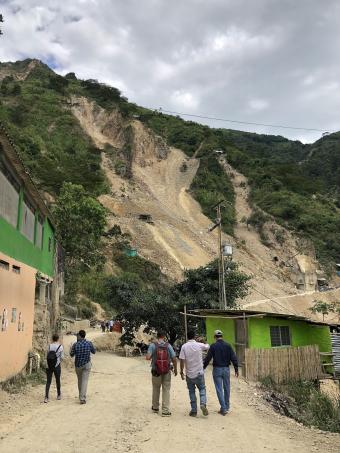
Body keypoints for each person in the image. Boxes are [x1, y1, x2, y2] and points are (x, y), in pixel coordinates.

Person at [203, 329, 238, 415]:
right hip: (226, 369)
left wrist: (203, 367)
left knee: (219, 389)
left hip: (217, 370)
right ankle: (226, 406)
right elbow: (233, 358)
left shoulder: (213, 346)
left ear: (215, 337)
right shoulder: (228, 346)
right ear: (222, 336)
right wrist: (236, 369)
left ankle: (224, 408)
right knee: (227, 388)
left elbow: (208, 358)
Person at [146, 332, 177, 417]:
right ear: (163, 337)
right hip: (166, 371)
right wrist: (176, 370)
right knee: (166, 389)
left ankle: (155, 407)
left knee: (156, 388)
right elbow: (174, 358)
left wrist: (153, 356)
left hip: (156, 371)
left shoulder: (153, 345)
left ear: (157, 336)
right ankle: (165, 410)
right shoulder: (168, 346)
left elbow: (148, 357)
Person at [179, 330, 210, 417]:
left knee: (191, 391)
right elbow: (208, 346)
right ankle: (203, 404)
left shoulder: (184, 347)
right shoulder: (199, 345)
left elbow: (182, 360)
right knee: (202, 389)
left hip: (189, 374)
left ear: (187, 337)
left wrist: (181, 372)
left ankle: (193, 411)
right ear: (194, 336)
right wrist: (204, 341)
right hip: (199, 373)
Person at [70, 330, 96, 404]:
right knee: (84, 381)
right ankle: (82, 398)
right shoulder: (89, 343)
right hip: (87, 364)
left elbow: (71, 354)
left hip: (78, 365)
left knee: (80, 380)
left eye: (77, 335)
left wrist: (71, 348)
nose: (77, 337)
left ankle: (81, 396)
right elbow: (94, 351)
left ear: (80, 336)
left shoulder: (75, 344)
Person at [44, 334, 64, 403]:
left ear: (52, 339)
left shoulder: (49, 346)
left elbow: (47, 355)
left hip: (49, 365)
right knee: (57, 380)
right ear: (58, 339)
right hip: (57, 365)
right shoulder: (60, 347)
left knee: (48, 381)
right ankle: (58, 395)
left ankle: (46, 397)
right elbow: (62, 357)